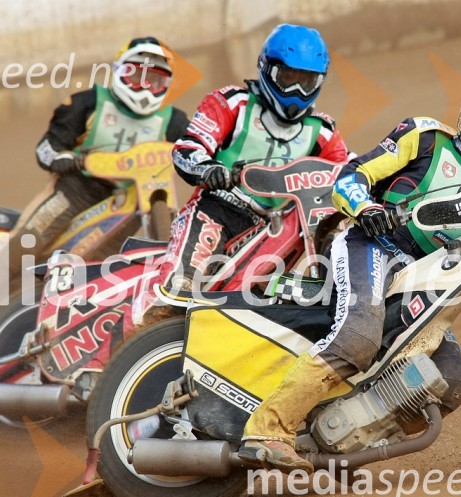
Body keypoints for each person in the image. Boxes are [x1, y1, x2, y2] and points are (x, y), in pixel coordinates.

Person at [238, 74, 461, 473]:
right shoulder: (426, 136)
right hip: (371, 245)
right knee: (357, 338)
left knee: (448, 383)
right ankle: (267, 430)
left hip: (429, 280)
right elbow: (352, 176)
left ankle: (336, 444)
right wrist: (367, 209)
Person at [0, 37, 189, 332]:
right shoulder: (87, 102)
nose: (144, 87)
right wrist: (63, 159)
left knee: (96, 272)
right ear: (118, 71)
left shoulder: (174, 121)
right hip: (77, 190)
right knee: (24, 247)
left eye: (154, 80)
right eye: (135, 76)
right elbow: (46, 147)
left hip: (135, 201)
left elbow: (197, 150)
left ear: (168, 85)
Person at [145, 23, 350, 318]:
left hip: (276, 228)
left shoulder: (324, 131)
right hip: (217, 211)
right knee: (178, 294)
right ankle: (149, 339)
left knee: (260, 311)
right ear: (266, 69)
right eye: (287, 77)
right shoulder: (232, 103)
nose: (295, 90)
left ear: (320, 81)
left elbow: (348, 173)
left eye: (306, 81)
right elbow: (187, 149)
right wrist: (209, 170)